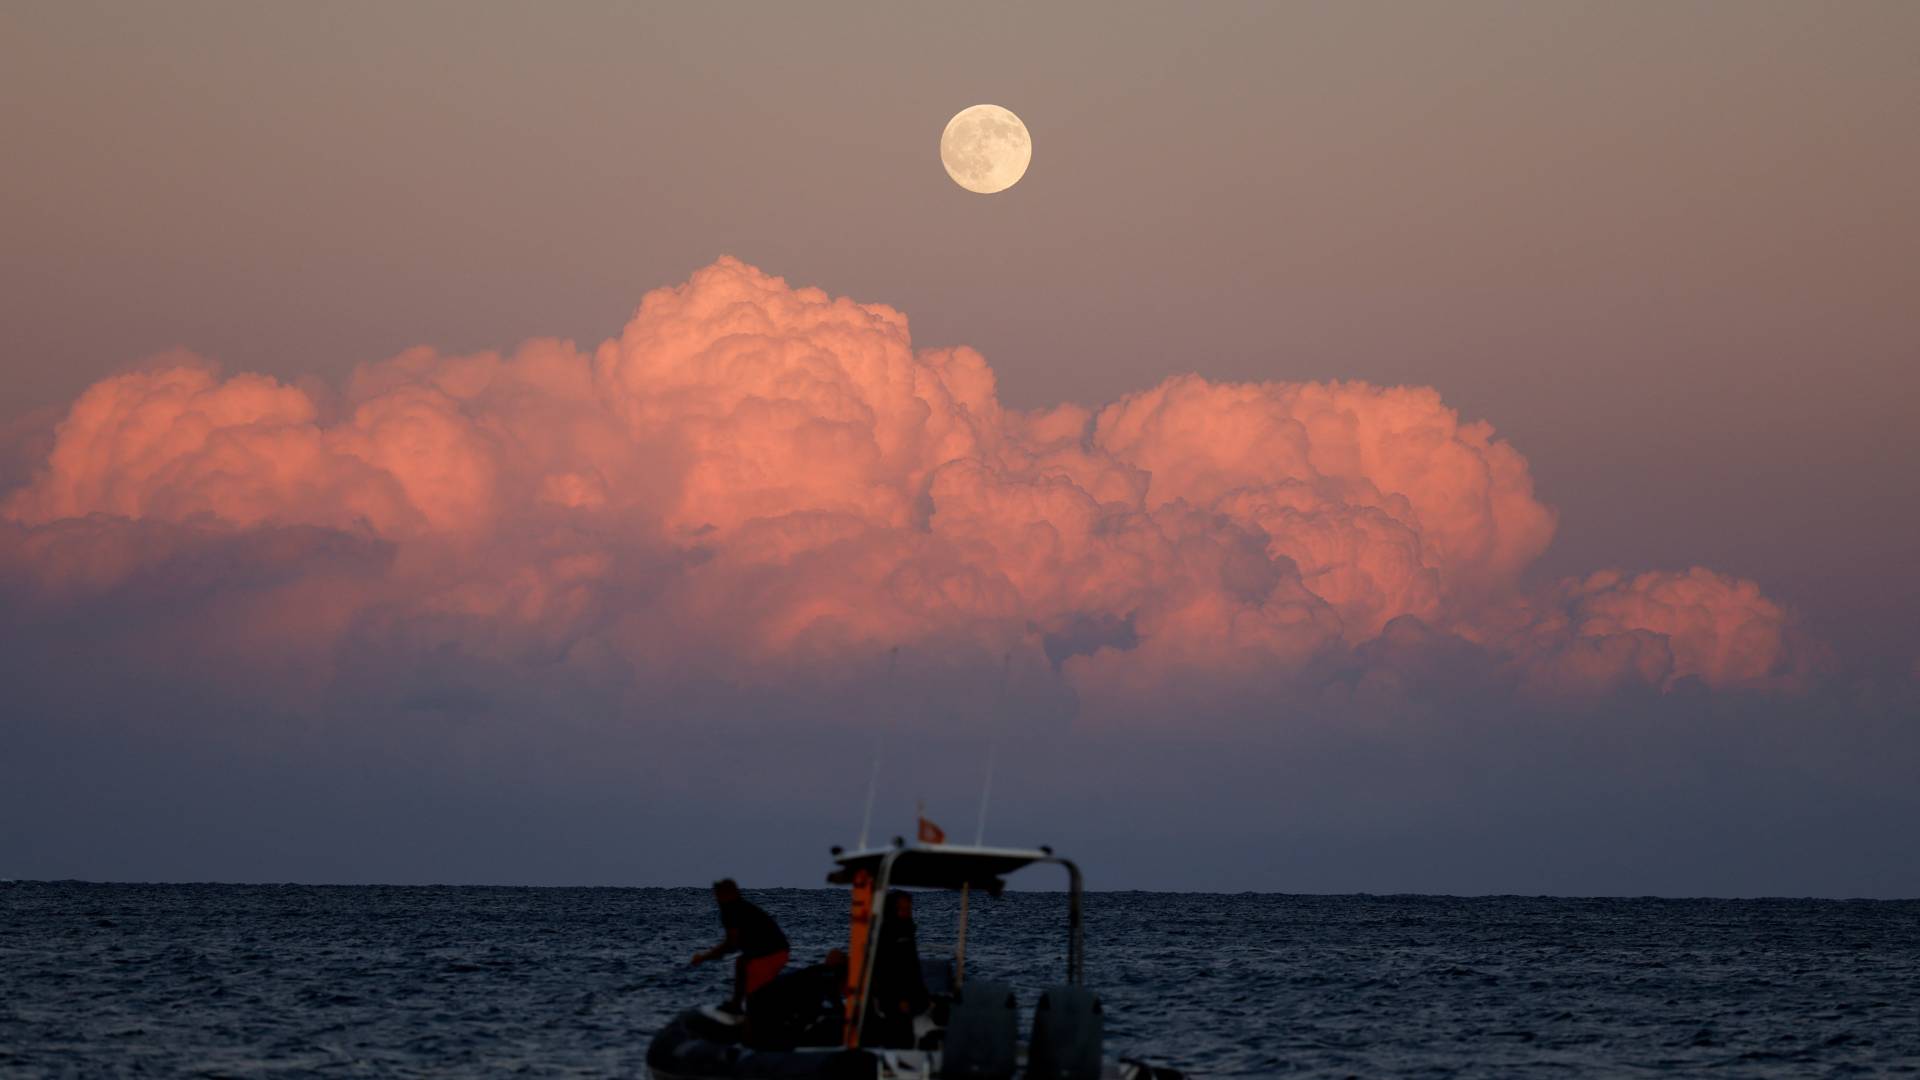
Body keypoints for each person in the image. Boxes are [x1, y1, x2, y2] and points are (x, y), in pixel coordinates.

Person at [690, 878, 790, 1012]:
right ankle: (736, 1005)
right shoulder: (737, 907)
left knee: (754, 995)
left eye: (720, 894)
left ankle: (755, 1021)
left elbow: (731, 945)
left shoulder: (732, 910)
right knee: (742, 962)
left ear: (730, 894)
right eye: (717, 894)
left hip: (772, 953)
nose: (717, 898)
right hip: (769, 952)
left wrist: (703, 958)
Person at [866, 890, 930, 1046]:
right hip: (893, 1000)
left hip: (910, 995)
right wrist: (898, 999)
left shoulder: (907, 931)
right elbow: (886, 971)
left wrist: (922, 995)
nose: (907, 912)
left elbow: (912, 968)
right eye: (903, 909)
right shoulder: (887, 934)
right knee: (899, 1035)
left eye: (909, 909)